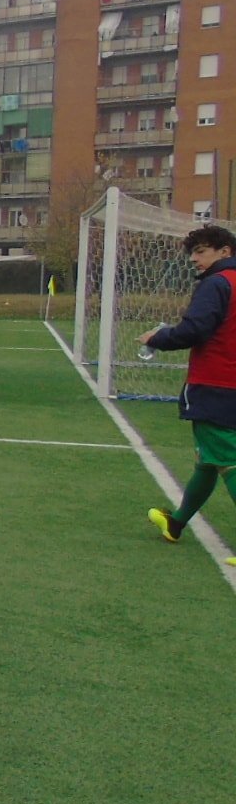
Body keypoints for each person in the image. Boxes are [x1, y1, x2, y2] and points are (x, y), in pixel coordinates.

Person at [143, 225, 236, 563]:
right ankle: (177, 523)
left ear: (225, 251)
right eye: (192, 253)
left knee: (226, 460)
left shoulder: (218, 283)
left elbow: (195, 330)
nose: (194, 259)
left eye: (201, 251)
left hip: (217, 386)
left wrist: (157, 337)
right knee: (208, 460)